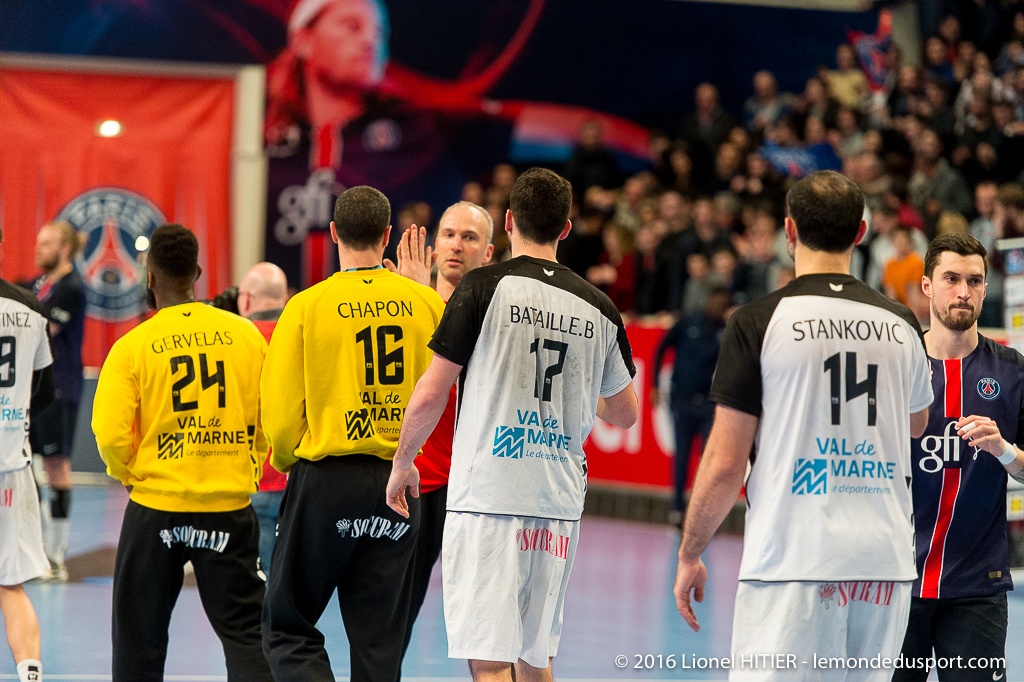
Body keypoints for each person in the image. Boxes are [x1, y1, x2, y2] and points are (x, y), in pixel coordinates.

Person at [673, 171, 932, 680]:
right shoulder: (902, 323)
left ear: (788, 232)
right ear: (861, 234)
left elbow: (726, 463)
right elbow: (917, 424)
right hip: (885, 565)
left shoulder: (759, 320)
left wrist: (690, 552)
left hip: (793, 561)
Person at [386, 168, 638, 681]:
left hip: (491, 498)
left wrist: (401, 460)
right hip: (559, 501)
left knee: (490, 661)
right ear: (565, 229)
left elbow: (433, 390)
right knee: (534, 656)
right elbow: (625, 412)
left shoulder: (484, 286)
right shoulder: (601, 308)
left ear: (508, 222)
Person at [260, 185, 445, 682]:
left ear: (334, 232)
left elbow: (277, 417)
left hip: (326, 483)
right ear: (387, 236)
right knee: (380, 644)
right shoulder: (427, 304)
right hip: (401, 482)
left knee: (288, 626)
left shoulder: (305, 306)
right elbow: (441, 396)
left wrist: (285, 461)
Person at [92, 224, 273, 682]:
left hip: (156, 510)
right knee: (247, 636)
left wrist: (129, 472)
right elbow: (270, 415)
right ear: (196, 272)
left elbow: (109, 435)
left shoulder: (131, 347)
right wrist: (250, 461)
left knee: (139, 639)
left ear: (148, 277)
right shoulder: (247, 336)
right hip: (227, 507)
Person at [894, 233, 1024, 682]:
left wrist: (1005, 450)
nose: (963, 292)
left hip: (976, 591)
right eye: (951, 278)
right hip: (895, 584)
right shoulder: (895, 368)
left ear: (987, 288)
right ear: (927, 285)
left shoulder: (1012, 371)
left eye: (974, 280)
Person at [387, 202, 495, 661]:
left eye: (469, 238)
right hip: (410, 475)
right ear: (434, 246)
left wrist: (421, 299)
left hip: (465, 486)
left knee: (480, 621)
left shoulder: (493, 312)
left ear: (487, 252)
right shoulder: (403, 300)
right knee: (388, 610)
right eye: (449, 234)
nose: (456, 244)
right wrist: (411, 301)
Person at [0, 224, 56, 682]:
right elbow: (44, 391)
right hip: (10, 469)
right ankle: (31, 674)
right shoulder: (30, 308)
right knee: (11, 586)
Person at [25, 220, 86, 582]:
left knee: (56, 465)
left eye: (46, 244)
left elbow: (46, 329)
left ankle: (57, 555)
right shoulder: (39, 286)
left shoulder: (71, 288)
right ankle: (35, 549)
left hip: (60, 388)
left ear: (64, 248)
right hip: (36, 387)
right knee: (29, 462)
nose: (38, 249)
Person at [651, 286, 732, 527]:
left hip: (708, 406)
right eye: (716, 303)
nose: (718, 308)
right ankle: (677, 509)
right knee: (682, 458)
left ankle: (701, 515)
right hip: (682, 402)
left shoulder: (724, 331)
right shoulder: (688, 322)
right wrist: (655, 384)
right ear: (709, 302)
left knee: (707, 462)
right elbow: (661, 347)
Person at [237, 261, 289, 578]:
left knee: (252, 584)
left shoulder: (235, 340)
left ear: (245, 300)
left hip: (250, 476)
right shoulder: (302, 336)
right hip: (297, 477)